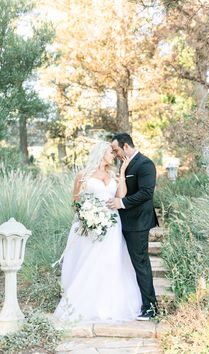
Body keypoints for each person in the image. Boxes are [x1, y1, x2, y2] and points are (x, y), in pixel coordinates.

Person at [54, 141, 142, 322]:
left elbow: (121, 196)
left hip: (112, 224)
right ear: (102, 153)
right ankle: (84, 304)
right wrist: (87, 216)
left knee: (111, 262)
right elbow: (75, 201)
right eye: (111, 152)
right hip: (90, 224)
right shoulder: (83, 175)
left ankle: (107, 304)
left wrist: (123, 172)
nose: (114, 155)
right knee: (89, 262)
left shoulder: (114, 175)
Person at [108, 133, 159, 321]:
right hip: (123, 222)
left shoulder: (145, 164)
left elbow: (146, 193)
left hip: (137, 223)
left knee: (141, 264)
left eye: (116, 149)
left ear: (126, 146)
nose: (114, 153)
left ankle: (150, 308)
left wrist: (121, 203)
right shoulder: (125, 164)